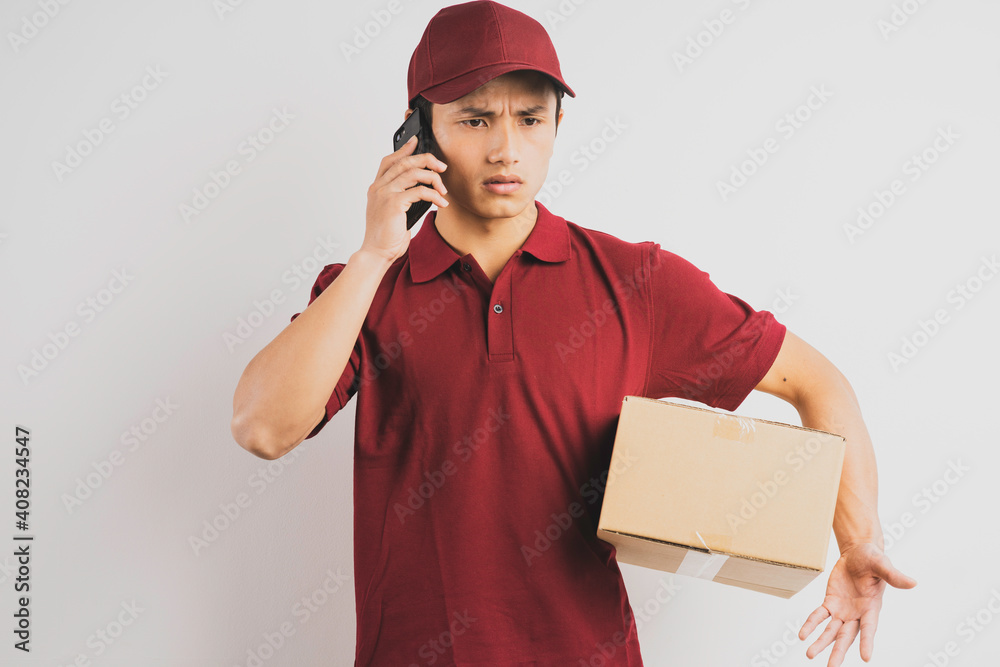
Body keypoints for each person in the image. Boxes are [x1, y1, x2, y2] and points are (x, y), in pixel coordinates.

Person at [230, 2, 917, 665]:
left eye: (531, 118)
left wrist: (858, 541)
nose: (506, 148)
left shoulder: (635, 281)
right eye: (474, 119)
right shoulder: (364, 291)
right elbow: (262, 427)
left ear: (557, 122)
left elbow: (818, 383)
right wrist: (375, 253)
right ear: (418, 133)